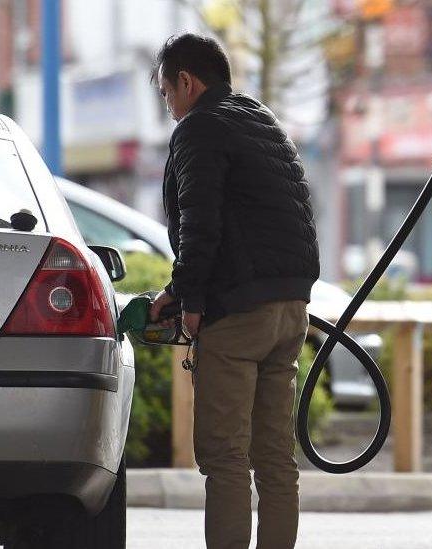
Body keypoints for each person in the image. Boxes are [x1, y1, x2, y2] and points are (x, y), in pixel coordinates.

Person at [148, 33, 319, 549]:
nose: (170, 109)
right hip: (291, 309)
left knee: (224, 460)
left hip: (238, 315)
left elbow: (200, 223)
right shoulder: (261, 120)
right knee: (274, 459)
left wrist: (188, 300)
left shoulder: (199, 129)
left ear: (186, 81)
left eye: (166, 94)